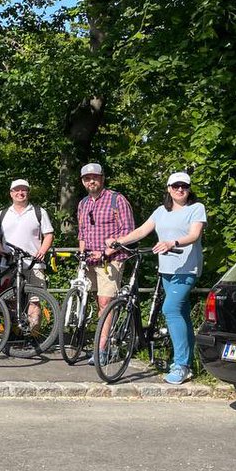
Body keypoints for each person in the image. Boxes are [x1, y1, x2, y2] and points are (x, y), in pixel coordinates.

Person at [107, 171, 207, 385]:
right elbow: (143, 230)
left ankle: (181, 365)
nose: (180, 189)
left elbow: (194, 235)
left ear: (189, 189)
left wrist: (173, 243)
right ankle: (189, 360)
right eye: (176, 186)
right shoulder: (161, 211)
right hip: (167, 269)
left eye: (184, 186)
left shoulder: (196, 209)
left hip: (187, 269)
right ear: (169, 188)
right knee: (182, 313)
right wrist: (119, 240)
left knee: (170, 309)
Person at [76, 162, 135, 363]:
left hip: (111, 260)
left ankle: (102, 349)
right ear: (83, 182)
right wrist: (82, 254)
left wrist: (108, 250)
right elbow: (82, 232)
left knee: (105, 302)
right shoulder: (83, 203)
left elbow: (128, 231)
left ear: (102, 178)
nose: (91, 181)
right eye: (86, 178)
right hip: (90, 260)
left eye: (95, 177)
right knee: (95, 301)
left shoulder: (116, 200)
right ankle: (105, 341)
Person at [0, 179, 54, 330]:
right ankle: (13, 333)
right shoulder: (3, 214)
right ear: (11, 193)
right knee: (10, 300)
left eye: (23, 190)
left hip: (33, 264)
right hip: (9, 264)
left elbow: (49, 234)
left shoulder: (39, 212)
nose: (20, 193)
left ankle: (33, 335)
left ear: (28, 192)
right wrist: (0, 250)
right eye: (16, 190)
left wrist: (42, 251)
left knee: (35, 300)